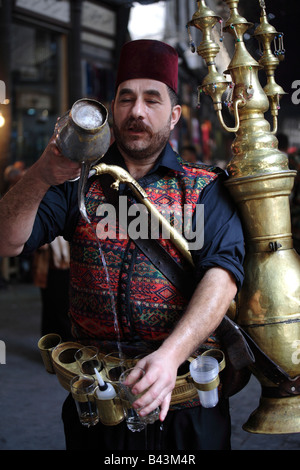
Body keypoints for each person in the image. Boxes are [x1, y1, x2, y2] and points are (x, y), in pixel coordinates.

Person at [0, 39, 244, 451]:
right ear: (112, 109)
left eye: (152, 100)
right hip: (96, 396)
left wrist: (170, 356)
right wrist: (42, 174)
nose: (137, 111)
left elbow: (223, 276)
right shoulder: (76, 184)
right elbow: (7, 242)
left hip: (185, 394)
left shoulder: (204, 189)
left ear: (175, 115)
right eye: (126, 98)